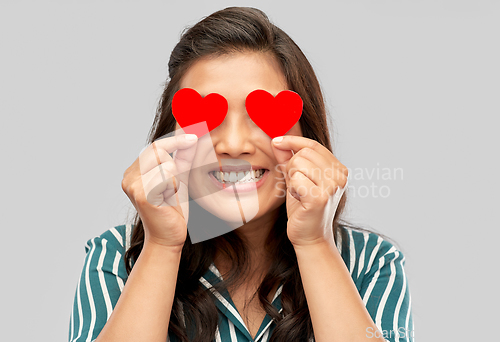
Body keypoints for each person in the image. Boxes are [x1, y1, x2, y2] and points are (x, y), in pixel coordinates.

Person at [68, 7, 413, 342]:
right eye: (208, 116)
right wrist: (161, 246)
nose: (233, 145)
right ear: (170, 136)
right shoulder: (117, 256)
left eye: (261, 116)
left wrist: (314, 245)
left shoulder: (371, 261)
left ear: (307, 135)